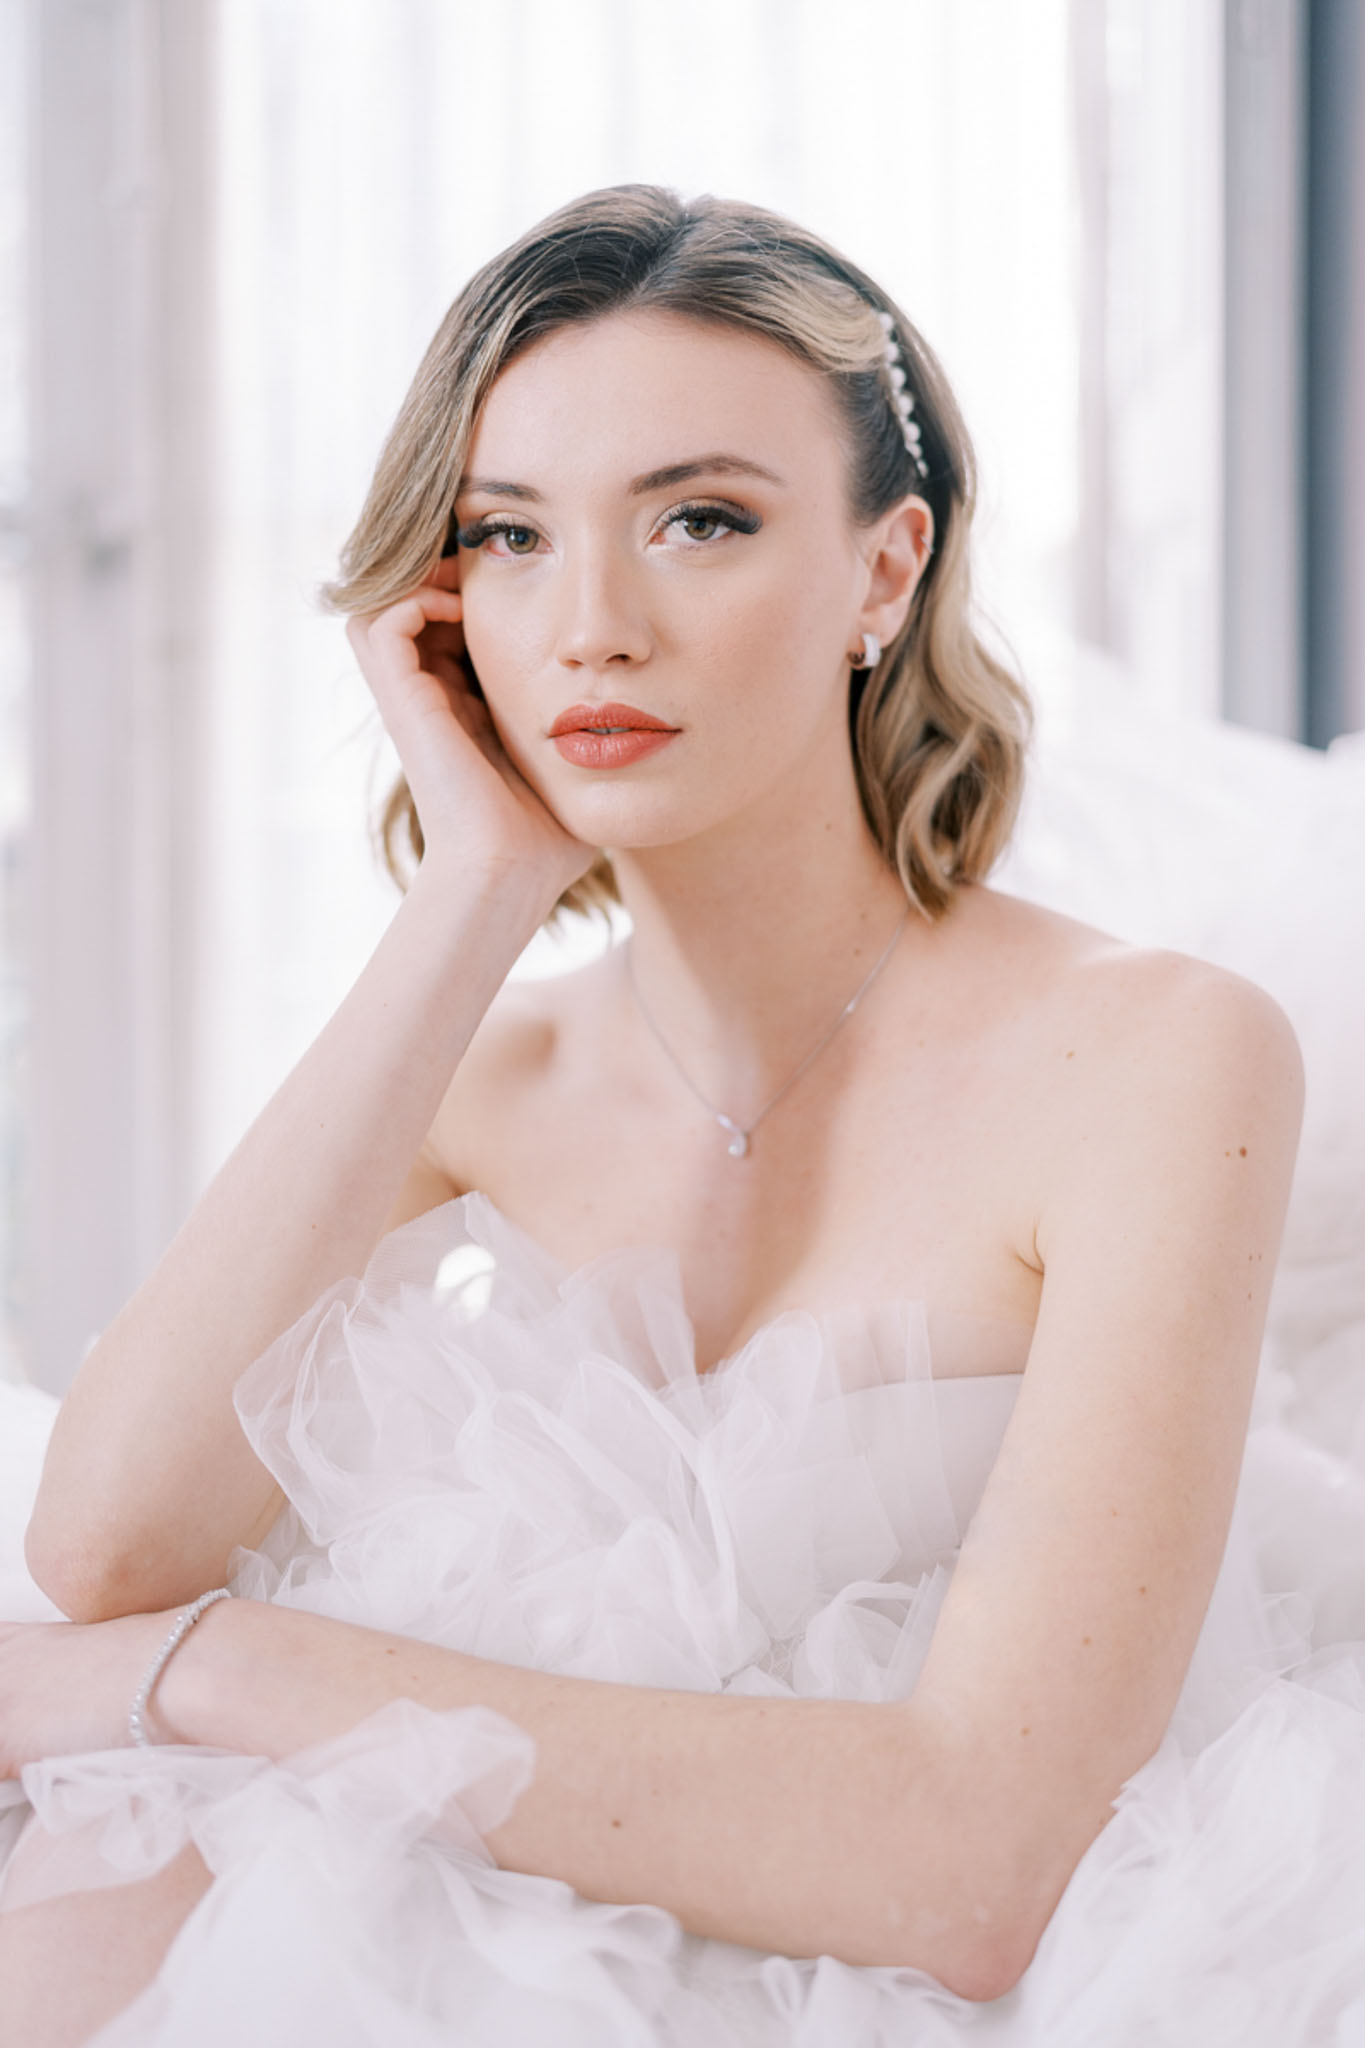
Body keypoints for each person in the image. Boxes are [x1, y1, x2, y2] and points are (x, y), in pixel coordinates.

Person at [0, 183, 1360, 2046]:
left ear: (884, 571)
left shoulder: (1155, 1057)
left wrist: (225, 1669)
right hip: (524, 1888)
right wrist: (475, 888)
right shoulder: (485, 1068)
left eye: (699, 520)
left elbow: (971, 1867)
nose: (592, 629)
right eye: (508, 537)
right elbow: (107, 1551)